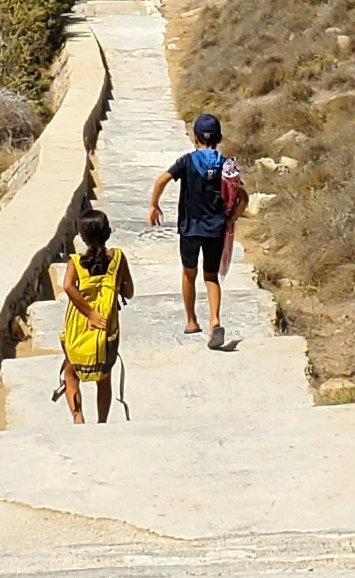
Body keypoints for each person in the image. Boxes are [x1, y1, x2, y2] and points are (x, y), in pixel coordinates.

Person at [146, 111, 245, 346]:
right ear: (219, 138)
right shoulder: (225, 165)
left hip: (190, 228)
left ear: (195, 137)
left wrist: (154, 205)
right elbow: (243, 198)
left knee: (189, 273)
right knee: (211, 276)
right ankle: (215, 321)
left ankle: (191, 321)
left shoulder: (187, 161)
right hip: (215, 229)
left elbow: (161, 180)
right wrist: (231, 219)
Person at [55, 215, 131, 421]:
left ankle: (78, 418)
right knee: (103, 377)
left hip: (79, 323)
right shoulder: (117, 258)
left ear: (82, 235)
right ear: (108, 232)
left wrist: (89, 312)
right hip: (106, 325)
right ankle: (101, 421)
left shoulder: (76, 262)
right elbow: (129, 291)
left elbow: (68, 286)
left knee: (71, 372)